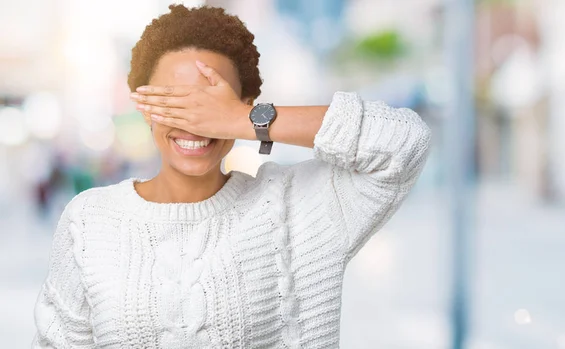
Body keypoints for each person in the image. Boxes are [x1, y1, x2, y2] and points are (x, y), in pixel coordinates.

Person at [32, 4, 431, 348]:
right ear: (145, 106)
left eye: (211, 104)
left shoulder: (300, 210)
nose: (196, 123)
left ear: (245, 108)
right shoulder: (90, 221)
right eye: (177, 103)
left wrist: (245, 120)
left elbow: (404, 142)